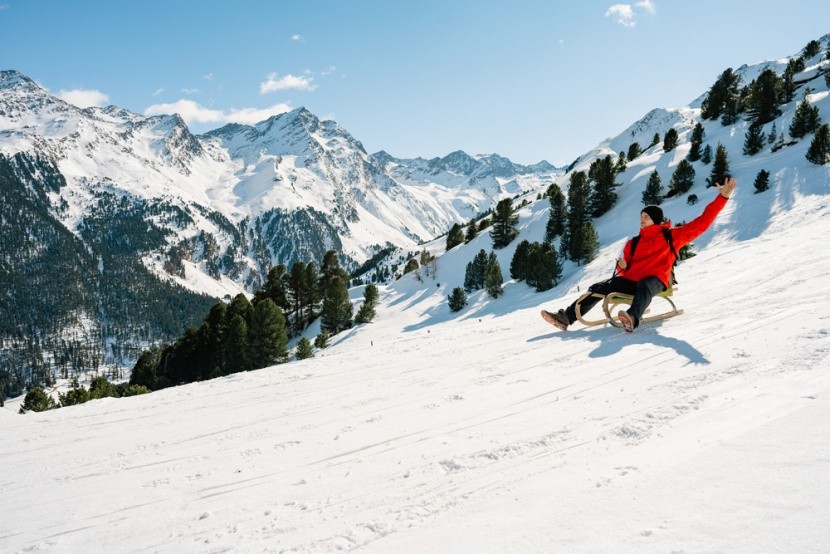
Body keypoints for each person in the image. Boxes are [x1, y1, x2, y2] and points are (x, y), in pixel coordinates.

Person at [542, 177, 737, 332]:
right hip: (632, 281)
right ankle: (567, 317)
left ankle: (632, 317)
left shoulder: (672, 237)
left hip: (657, 280)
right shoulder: (633, 243)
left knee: (646, 283)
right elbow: (623, 267)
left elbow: (702, 223)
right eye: (641, 217)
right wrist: (621, 266)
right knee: (601, 286)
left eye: (646, 217)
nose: (641, 220)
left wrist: (723, 198)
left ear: (656, 220)